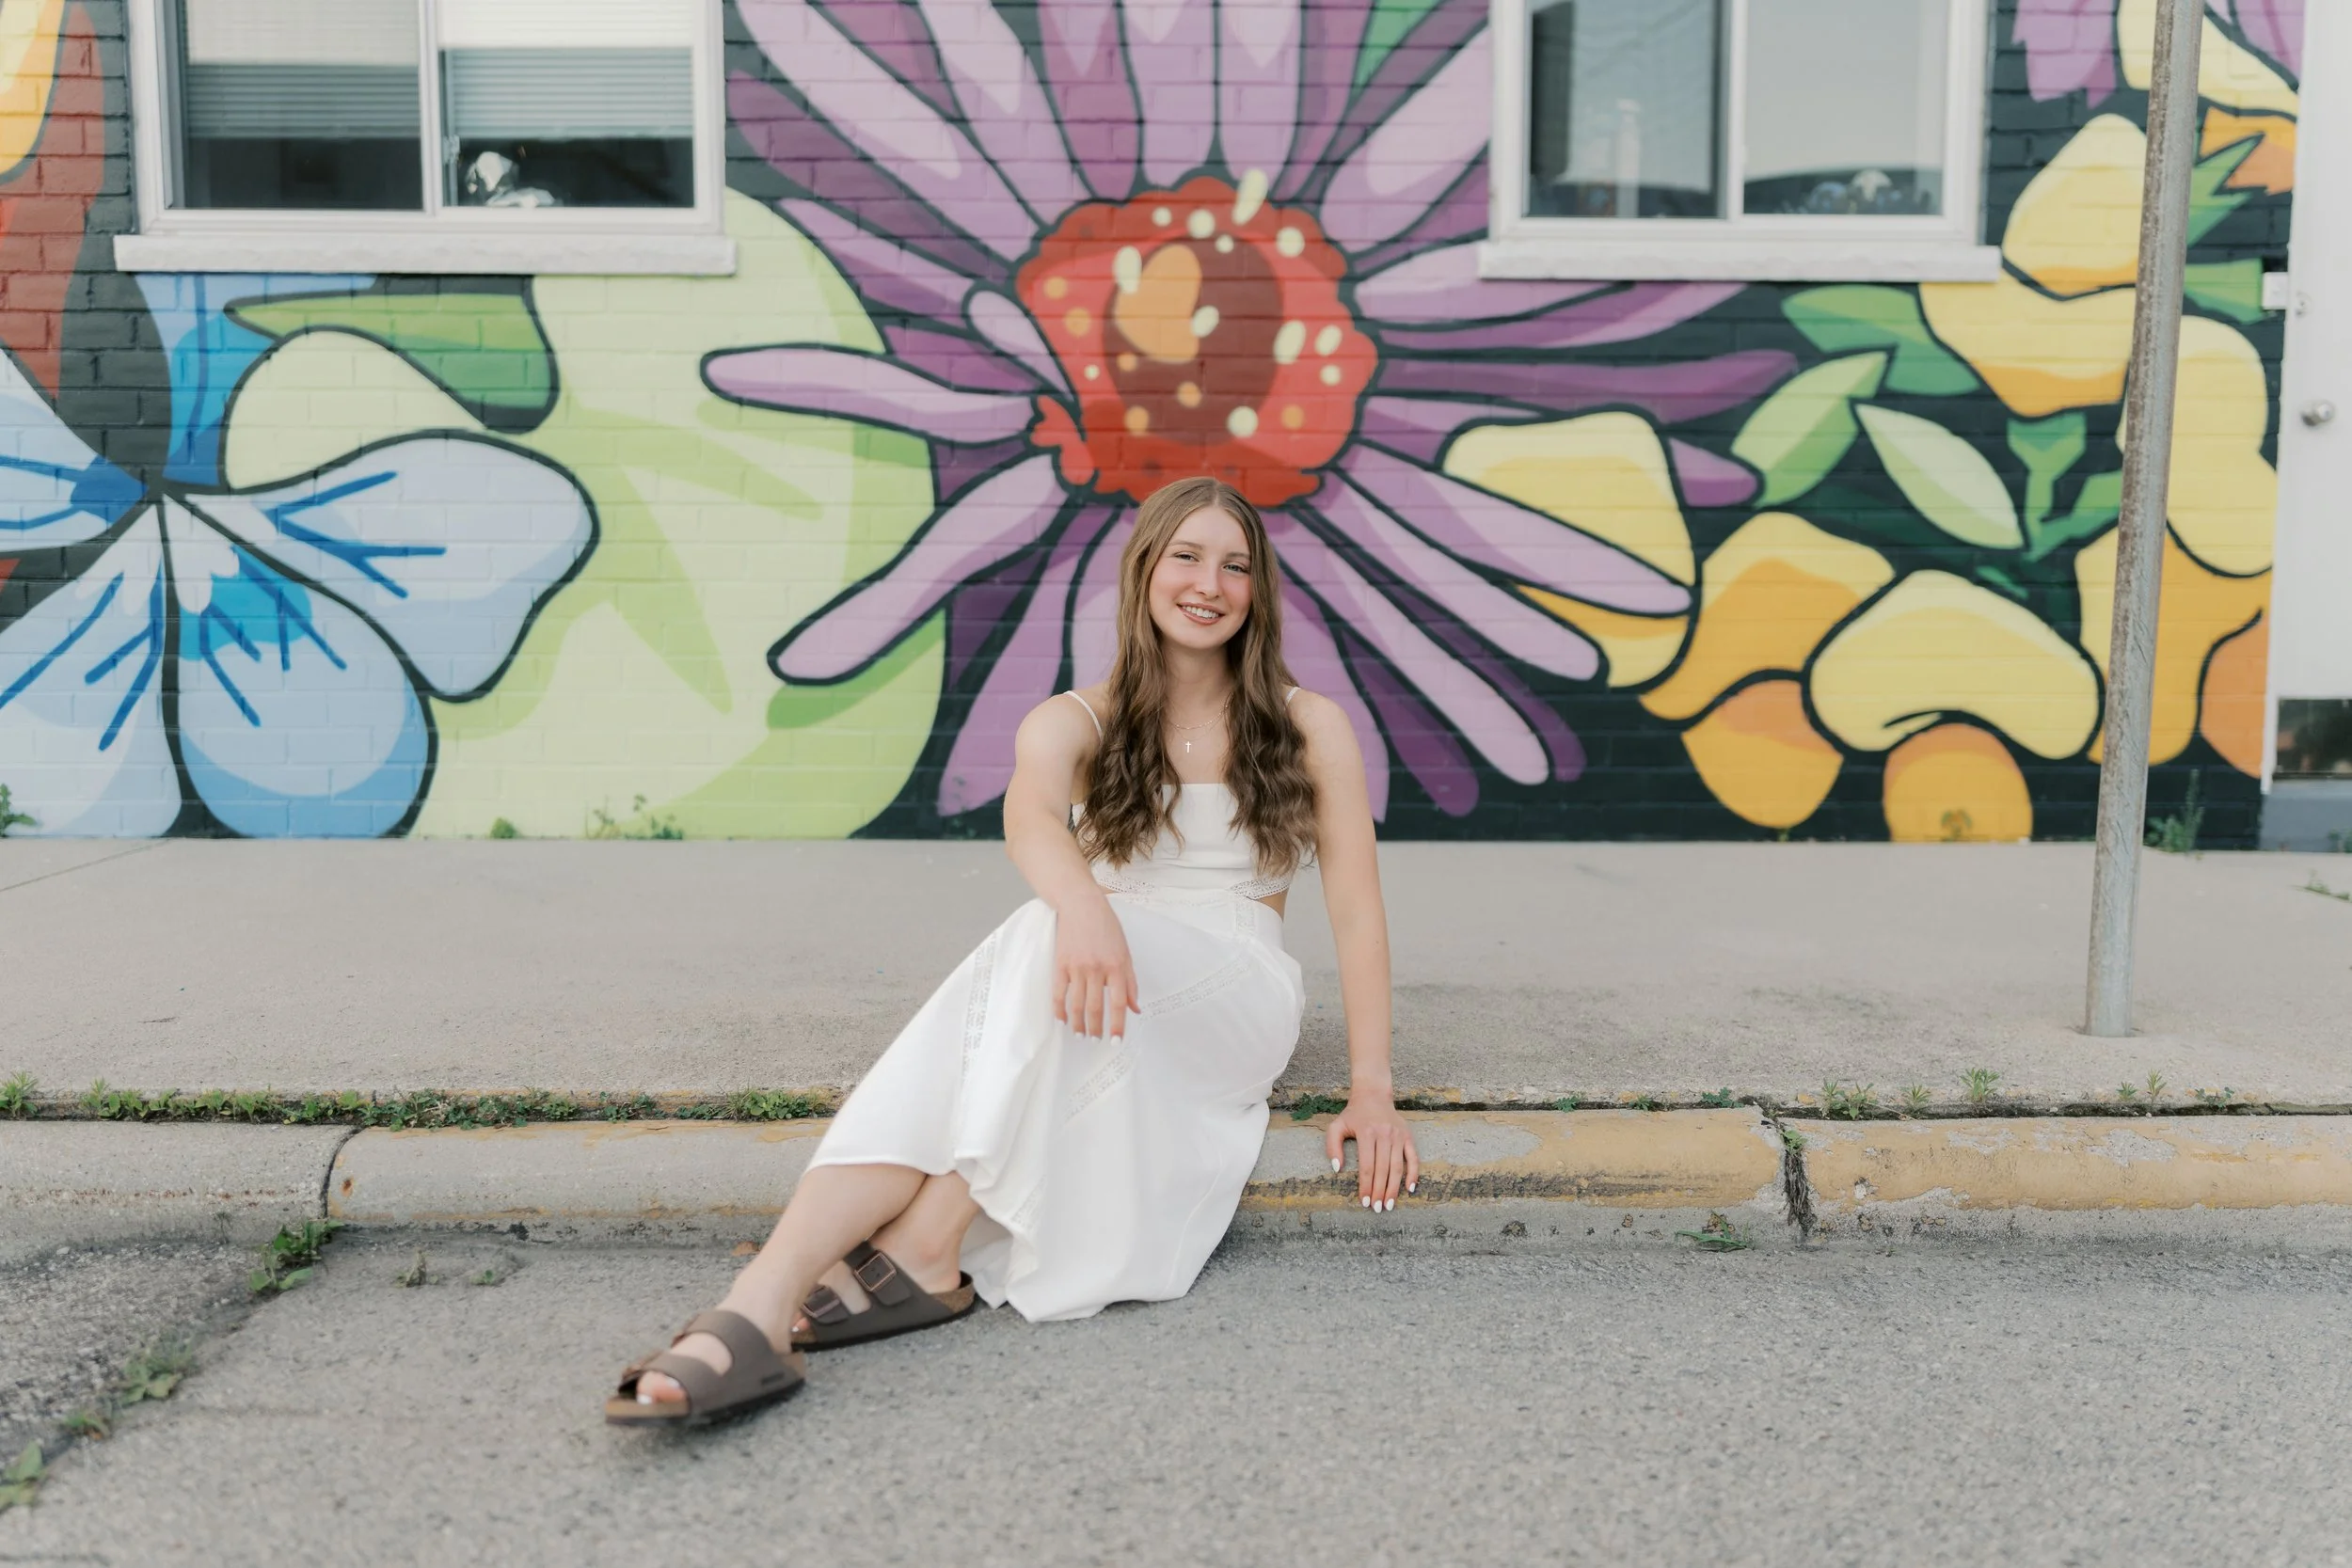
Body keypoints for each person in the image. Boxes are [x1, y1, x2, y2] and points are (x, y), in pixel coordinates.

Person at [608, 475, 1419, 1426]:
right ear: (1143, 571)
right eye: (1187, 557)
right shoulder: (1076, 720)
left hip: (1235, 985)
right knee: (1045, 960)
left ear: (1258, 590)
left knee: (1044, 959)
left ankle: (911, 1243)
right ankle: (768, 1294)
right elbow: (1029, 818)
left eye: (1235, 566)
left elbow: (1357, 912)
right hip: (1096, 977)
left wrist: (1371, 1086)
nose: (1209, 583)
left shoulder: (1308, 723)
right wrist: (1087, 906)